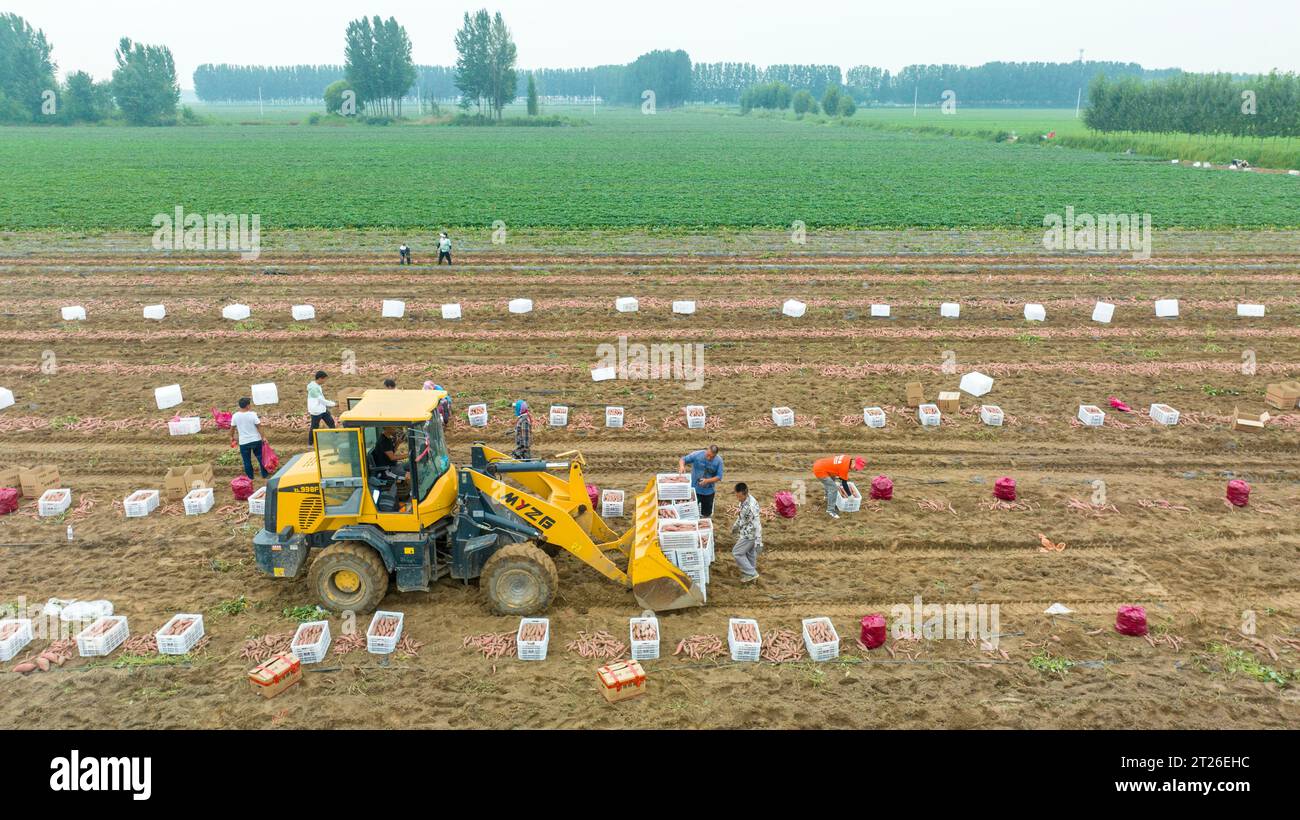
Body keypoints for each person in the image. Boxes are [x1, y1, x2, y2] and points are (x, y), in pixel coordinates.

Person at [812, 454, 866, 519]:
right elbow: (844, 483)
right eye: (856, 467)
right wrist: (849, 495)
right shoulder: (844, 467)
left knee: (831, 482)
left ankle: (827, 497)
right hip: (820, 470)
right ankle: (830, 510)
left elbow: (838, 466)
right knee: (833, 488)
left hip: (822, 464)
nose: (855, 469)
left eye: (857, 469)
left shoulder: (848, 458)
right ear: (854, 461)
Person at [678, 445, 724, 518]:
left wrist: (707, 481)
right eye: (708, 455)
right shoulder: (697, 455)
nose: (709, 458)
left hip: (709, 491)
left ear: (715, 455)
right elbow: (683, 459)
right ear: (707, 450)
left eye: (712, 457)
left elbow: (719, 477)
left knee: (706, 514)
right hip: (695, 490)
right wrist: (682, 466)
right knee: (691, 512)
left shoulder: (719, 461)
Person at [730, 482, 763, 583]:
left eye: (738, 496)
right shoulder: (746, 499)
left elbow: (750, 522)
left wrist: (734, 528)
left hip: (750, 534)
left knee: (737, 553)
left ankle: (752, 573)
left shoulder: (750, 506)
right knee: (749, 554)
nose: (737, 497)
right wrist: (735, 526)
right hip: (750, 531)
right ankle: (751, 576)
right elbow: (741, 517)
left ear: (744, 493)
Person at [231, 398, 269, 480]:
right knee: (261, 458)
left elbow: (232, 428)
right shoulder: (252, 414)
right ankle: (264, 475)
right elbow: (259, 427)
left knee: (247, 461)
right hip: (256, 440)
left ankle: (250, 478)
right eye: (250, 404)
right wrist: (263, 437)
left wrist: (231, 437)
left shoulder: (235, 416)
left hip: (244, 443)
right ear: (247, 406)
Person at [307, 370, 337, 444]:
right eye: (324, 379)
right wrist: (333, 404)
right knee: (314, 427)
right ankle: (310, 443)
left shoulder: (317, 386)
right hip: (316, 411)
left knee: (331, 422)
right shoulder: (314, 388)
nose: (325, 381)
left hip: (322, 409)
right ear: (320, 378)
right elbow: (321, 400)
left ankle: (335, 439)